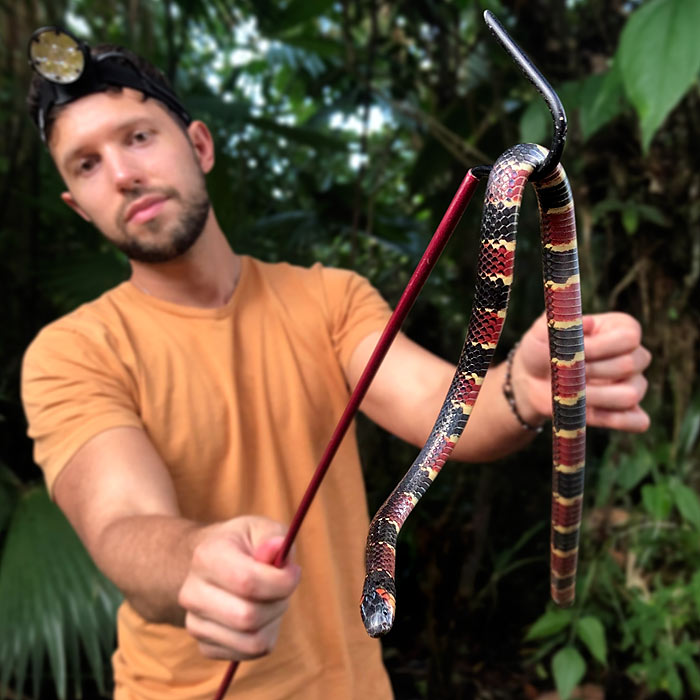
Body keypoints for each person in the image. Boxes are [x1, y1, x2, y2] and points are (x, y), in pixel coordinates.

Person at [21, 31, 651, 700]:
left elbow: (450, 417)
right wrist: (191, 563)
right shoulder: (72, 353)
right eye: (85, 165)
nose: (121, 174)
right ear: (76, 206)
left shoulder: (327, 299)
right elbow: (122, 525)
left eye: (139, 137)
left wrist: (522, 390)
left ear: (199, 145)